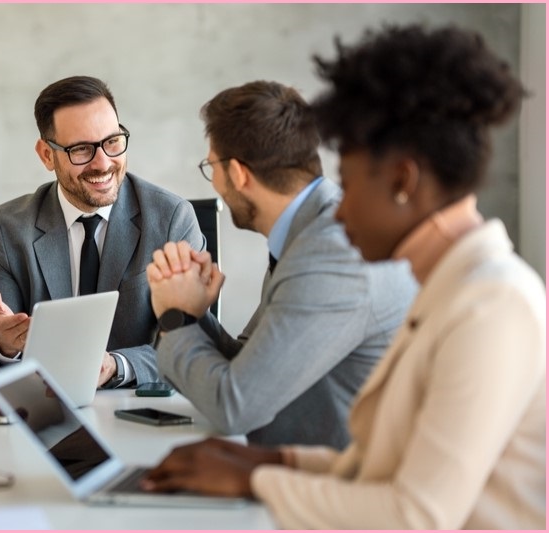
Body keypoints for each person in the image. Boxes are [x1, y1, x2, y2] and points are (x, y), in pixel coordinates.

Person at [142, 25, 545, 529]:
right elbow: (384, 465)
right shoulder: (455, 288)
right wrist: (262, 463)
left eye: (349, 184)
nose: (338, 208)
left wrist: (255, 479)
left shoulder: (492, 305)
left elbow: (414, 514)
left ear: (402, 182)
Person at [145, 80, 417, 447]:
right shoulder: (311, 229)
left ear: (238, 174)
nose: (216, 184)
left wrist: (174, 319)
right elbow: (252, 368)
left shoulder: (327, 257)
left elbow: (234, 407)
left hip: (335, 481)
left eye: (212, 168)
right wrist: (191, 312)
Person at [0, 75, 205, 388]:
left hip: (137, 412)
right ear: (46, 155)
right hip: (49, 417)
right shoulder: (7, 228)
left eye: (112, 141)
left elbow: (192, 343)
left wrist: (117, 366)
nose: (103, 163)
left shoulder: (171, 218)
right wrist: (4, 343)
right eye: (81, 149)